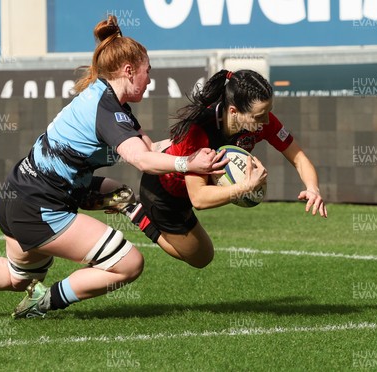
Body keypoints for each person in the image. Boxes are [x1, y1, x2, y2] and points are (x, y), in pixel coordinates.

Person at [0, 16, 227, 319]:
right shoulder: (108, 110)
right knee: (128, 264)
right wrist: (188, 162)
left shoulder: (102, 98)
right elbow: (141, 159)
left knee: (20, 277)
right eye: (147, 72)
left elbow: (151, 148)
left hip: (17, 195)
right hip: (41, 206)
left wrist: (195, 148)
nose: (149, 80)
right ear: (128, 70)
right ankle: (47, 301)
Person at [119, 69, 328, 268]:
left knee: (204, 256)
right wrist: (245, 187)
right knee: (201, 258)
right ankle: (135, 211)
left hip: (192, 189)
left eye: (269, 112)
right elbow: (199, 198)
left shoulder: (262, 120)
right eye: (258, 116)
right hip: (164, 193)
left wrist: (313, 188)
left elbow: (298, 157)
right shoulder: (199, 129)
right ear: (234, 111)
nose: (266, 121)